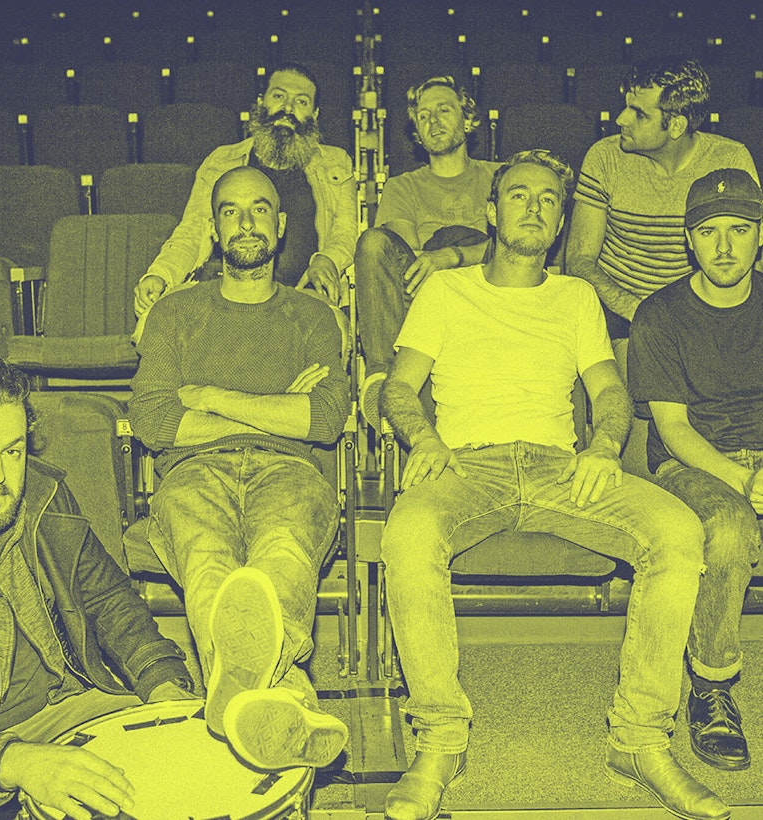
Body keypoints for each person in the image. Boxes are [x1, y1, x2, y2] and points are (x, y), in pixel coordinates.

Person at [379, 150, 729, 820]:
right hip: (466, 465)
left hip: (559, 466)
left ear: (563, 220)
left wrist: (603, 446)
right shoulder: (445, 291)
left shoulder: (575, 297)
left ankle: (639, 739)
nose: (534, 207)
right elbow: (398, 388)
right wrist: (423, 439)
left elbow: (610, 393)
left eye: (549, 199)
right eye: (518, 195)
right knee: (410, 533)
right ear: (491, 212)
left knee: (678, 532)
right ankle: (441, 740)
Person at [129, 166, 349, 772]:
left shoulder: (313, 316)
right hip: (193, 473)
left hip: (292, 473)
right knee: (208, 563)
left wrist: (207, 397)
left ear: (281, 226)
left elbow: (325, 419)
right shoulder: (175, 313)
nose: (246, 222)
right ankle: (287, 696)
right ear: (214, 227)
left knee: (283, 551)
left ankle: (235, 693)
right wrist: (277, 410)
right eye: (231, 210)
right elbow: (154, 421)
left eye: (259, 209)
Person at [0, 347, 196, 820]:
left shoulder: (44, 495)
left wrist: (161, 682)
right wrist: (11, 761)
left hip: (73, 709)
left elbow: (109, 599)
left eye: (12, 450)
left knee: (196, 771)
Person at [629, 168, 763, 773]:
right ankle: (712, 687)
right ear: (689, 240)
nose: (725, 247)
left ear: (760, 234)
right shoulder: (659, 314)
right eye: (709, 232)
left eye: (740, 229)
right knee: (729, 529)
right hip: (692, 464)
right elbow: (673, 428)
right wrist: (746, 481)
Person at [133, 61, 357, 321]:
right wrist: (160, 274)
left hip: (303, 298)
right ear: (261, 102)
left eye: (301, 101)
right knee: (154, 325)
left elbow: (346, 231)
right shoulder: (221, 162)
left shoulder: (336, 164)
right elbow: (192, 231)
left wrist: (328, 260)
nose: (288, 108)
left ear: (314, 114)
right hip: (225, 295)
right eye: (279, 96)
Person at [566, 56, 758, 356]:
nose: (621, 120)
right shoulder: (604, 157)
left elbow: (750, 251)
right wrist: (643, 312)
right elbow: (579, 260)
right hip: (618, 309)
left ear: (676, 126)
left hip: (696, 308)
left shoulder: (730, 160)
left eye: (639, 114)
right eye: (626, 106)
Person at [354, 75, 500, 422]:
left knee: (461, 240)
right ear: (417, 134)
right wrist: (444, 255)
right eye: (423, 116)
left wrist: (453, 256)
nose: (433, 121)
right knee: (373, 242)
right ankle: (383, 376)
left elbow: (514, 246)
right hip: (427, 296)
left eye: (444, 110)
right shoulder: (402, 187)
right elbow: (412, 259)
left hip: (491, 291)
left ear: (468, 120)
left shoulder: (500, 177)